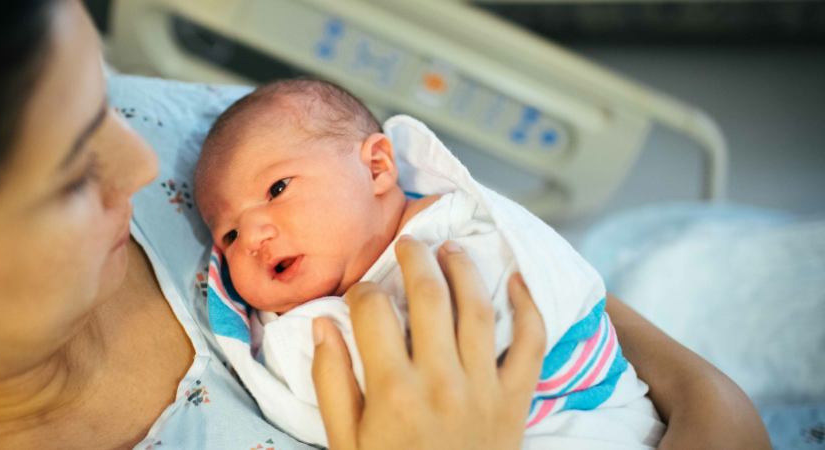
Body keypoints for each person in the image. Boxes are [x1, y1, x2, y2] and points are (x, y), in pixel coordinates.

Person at [0, 1, 770, 449]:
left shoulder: (202, 146)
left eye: (102, 96)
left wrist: (714, 408)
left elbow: (511, 270)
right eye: (74, 175)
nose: (148, 166)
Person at [193, 79, 663, 447]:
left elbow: (543, 293)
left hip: (592, 417)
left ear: (377, 167)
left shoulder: (459, 225)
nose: (252, 238)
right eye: (229, 235)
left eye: (277, 188)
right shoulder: (291, 332)